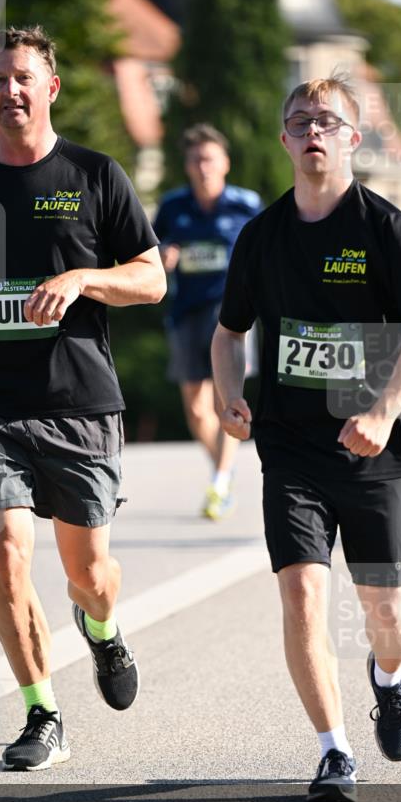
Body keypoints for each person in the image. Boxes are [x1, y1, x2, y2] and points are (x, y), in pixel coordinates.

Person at [0, 26, 165, 770]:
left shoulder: (94, 174)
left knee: (90, 577)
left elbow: (150, 276)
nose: (10, 90)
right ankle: (42, 712)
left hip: (78, 400)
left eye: (24, 78)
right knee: (7, 554)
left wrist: (83, 280)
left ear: (50, 88)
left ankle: (101, 631)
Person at [212, 73, 401, 802]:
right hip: (290, 449)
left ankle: (389, 678)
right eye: (298, 121)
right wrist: (229, 394)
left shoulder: (383, 229)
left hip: (375, 452)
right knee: (302, 599)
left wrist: (381, 411)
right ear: (284, 139)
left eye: (326, 121)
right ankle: (333, 750)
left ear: (352, 138)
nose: (311, 131)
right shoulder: (260, 237)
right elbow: (229, 333)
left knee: (388, 617)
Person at [153, 124, 262, 519]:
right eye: (196, 159)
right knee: (197, 411)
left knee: (225, 402)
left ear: (225, 163)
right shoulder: (172, 207)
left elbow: (267, 250)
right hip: (185, 312)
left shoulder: (246, 205)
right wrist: (163, 257)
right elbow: (148, 252)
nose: (203, 167)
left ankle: (218, 483)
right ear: (187, 165)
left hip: (231, 316)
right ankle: (225, 470)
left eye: (210, 158)